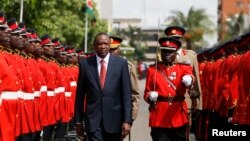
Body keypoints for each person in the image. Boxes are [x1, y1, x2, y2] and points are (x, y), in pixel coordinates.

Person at [74, 32, 132, 141]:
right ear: (94, 45)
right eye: (99, 44)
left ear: (110, 45)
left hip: (114, 121)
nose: (103, 46)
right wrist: (78, 121)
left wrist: (127, 120)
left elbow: (126, 95)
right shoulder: (85, 64)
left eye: (105, 43)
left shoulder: (121, 64)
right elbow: (80, 96)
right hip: (93, 122)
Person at [144, 37, 194, 141]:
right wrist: (150, 97)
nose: (167, 54)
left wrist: (190, 80)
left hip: (178, 115)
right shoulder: (152, 69)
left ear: (176, 53)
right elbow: (146, 92)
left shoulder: (183, 68)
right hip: (159, 116)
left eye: (170, 52)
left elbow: (190, 79)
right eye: (164, 51)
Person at [163, 26, 202, 135]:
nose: (175, 41)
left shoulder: (191, 56)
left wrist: (199, 104)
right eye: (172, 39)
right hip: (167, 102)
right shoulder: (161, 56)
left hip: (186, 101)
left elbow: (197, 82)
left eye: (177, 38)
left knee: (185, 133)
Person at [109, 35, 140, 122]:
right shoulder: (99, 65)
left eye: (114, 49)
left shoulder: (128, 67)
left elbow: (135, 94)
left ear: (119, 50)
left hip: (120, 112)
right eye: (109, 49)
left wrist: (131, 116)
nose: (111, 52)